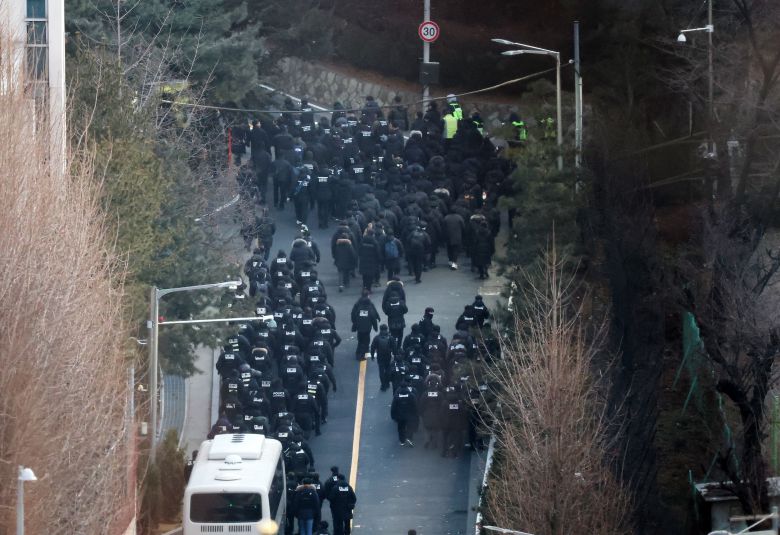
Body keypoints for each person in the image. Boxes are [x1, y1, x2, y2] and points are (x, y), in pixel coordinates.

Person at [351, 289, 379, 360]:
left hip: (359, 327)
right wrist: (376, 327)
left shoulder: (358, 306)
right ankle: (362, 354)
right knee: (366, 341)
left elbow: (353, 315)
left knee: (360, 341)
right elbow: (373, 318)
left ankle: (358, 352)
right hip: (367, 328)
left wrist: (354, 323)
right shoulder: (370, 308)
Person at [390, 379, 419, 446]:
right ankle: (409, 437)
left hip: (400, 416)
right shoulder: (411, 395)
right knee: (409, 426)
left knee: (400, 428)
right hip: (409, 415)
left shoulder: (397, 396)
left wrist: (393, 415)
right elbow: (415, 405)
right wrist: (415, 414)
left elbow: (393, 407)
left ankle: (402, 440)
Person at [370, 324, 396, 391]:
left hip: (380, 356)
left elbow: (372, 347)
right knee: (387, 369)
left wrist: (372, 356)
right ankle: (387, 383)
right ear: (387, 329)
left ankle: (383, 385)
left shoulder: (377, 338)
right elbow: (394, 348)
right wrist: (395, 355)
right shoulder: (390, 338)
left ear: (380, 329)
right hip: (388, 356)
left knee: (381, 371)